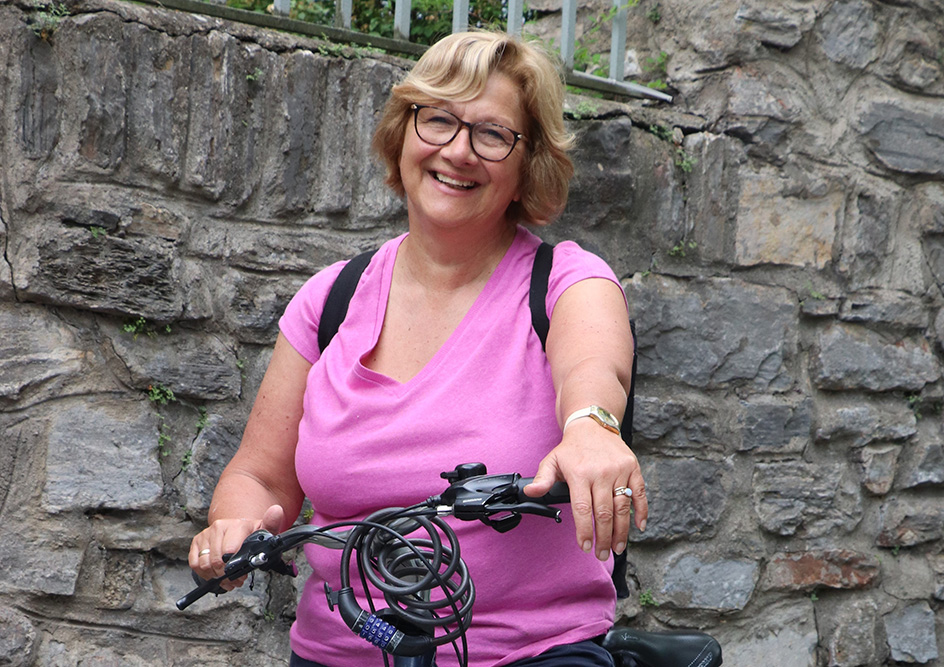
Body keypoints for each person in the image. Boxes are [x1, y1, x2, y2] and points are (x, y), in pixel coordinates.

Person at [188, 30, 647, 667]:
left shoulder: (568, 283)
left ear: (527, 168)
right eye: (438, 120)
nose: (457, 150)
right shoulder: (332, 299)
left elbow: (594, 368)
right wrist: (234, 527)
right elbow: (261, 476)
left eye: (492, 134)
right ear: (403, 133)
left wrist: (592, 427)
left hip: (529, 654)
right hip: (338, 652)